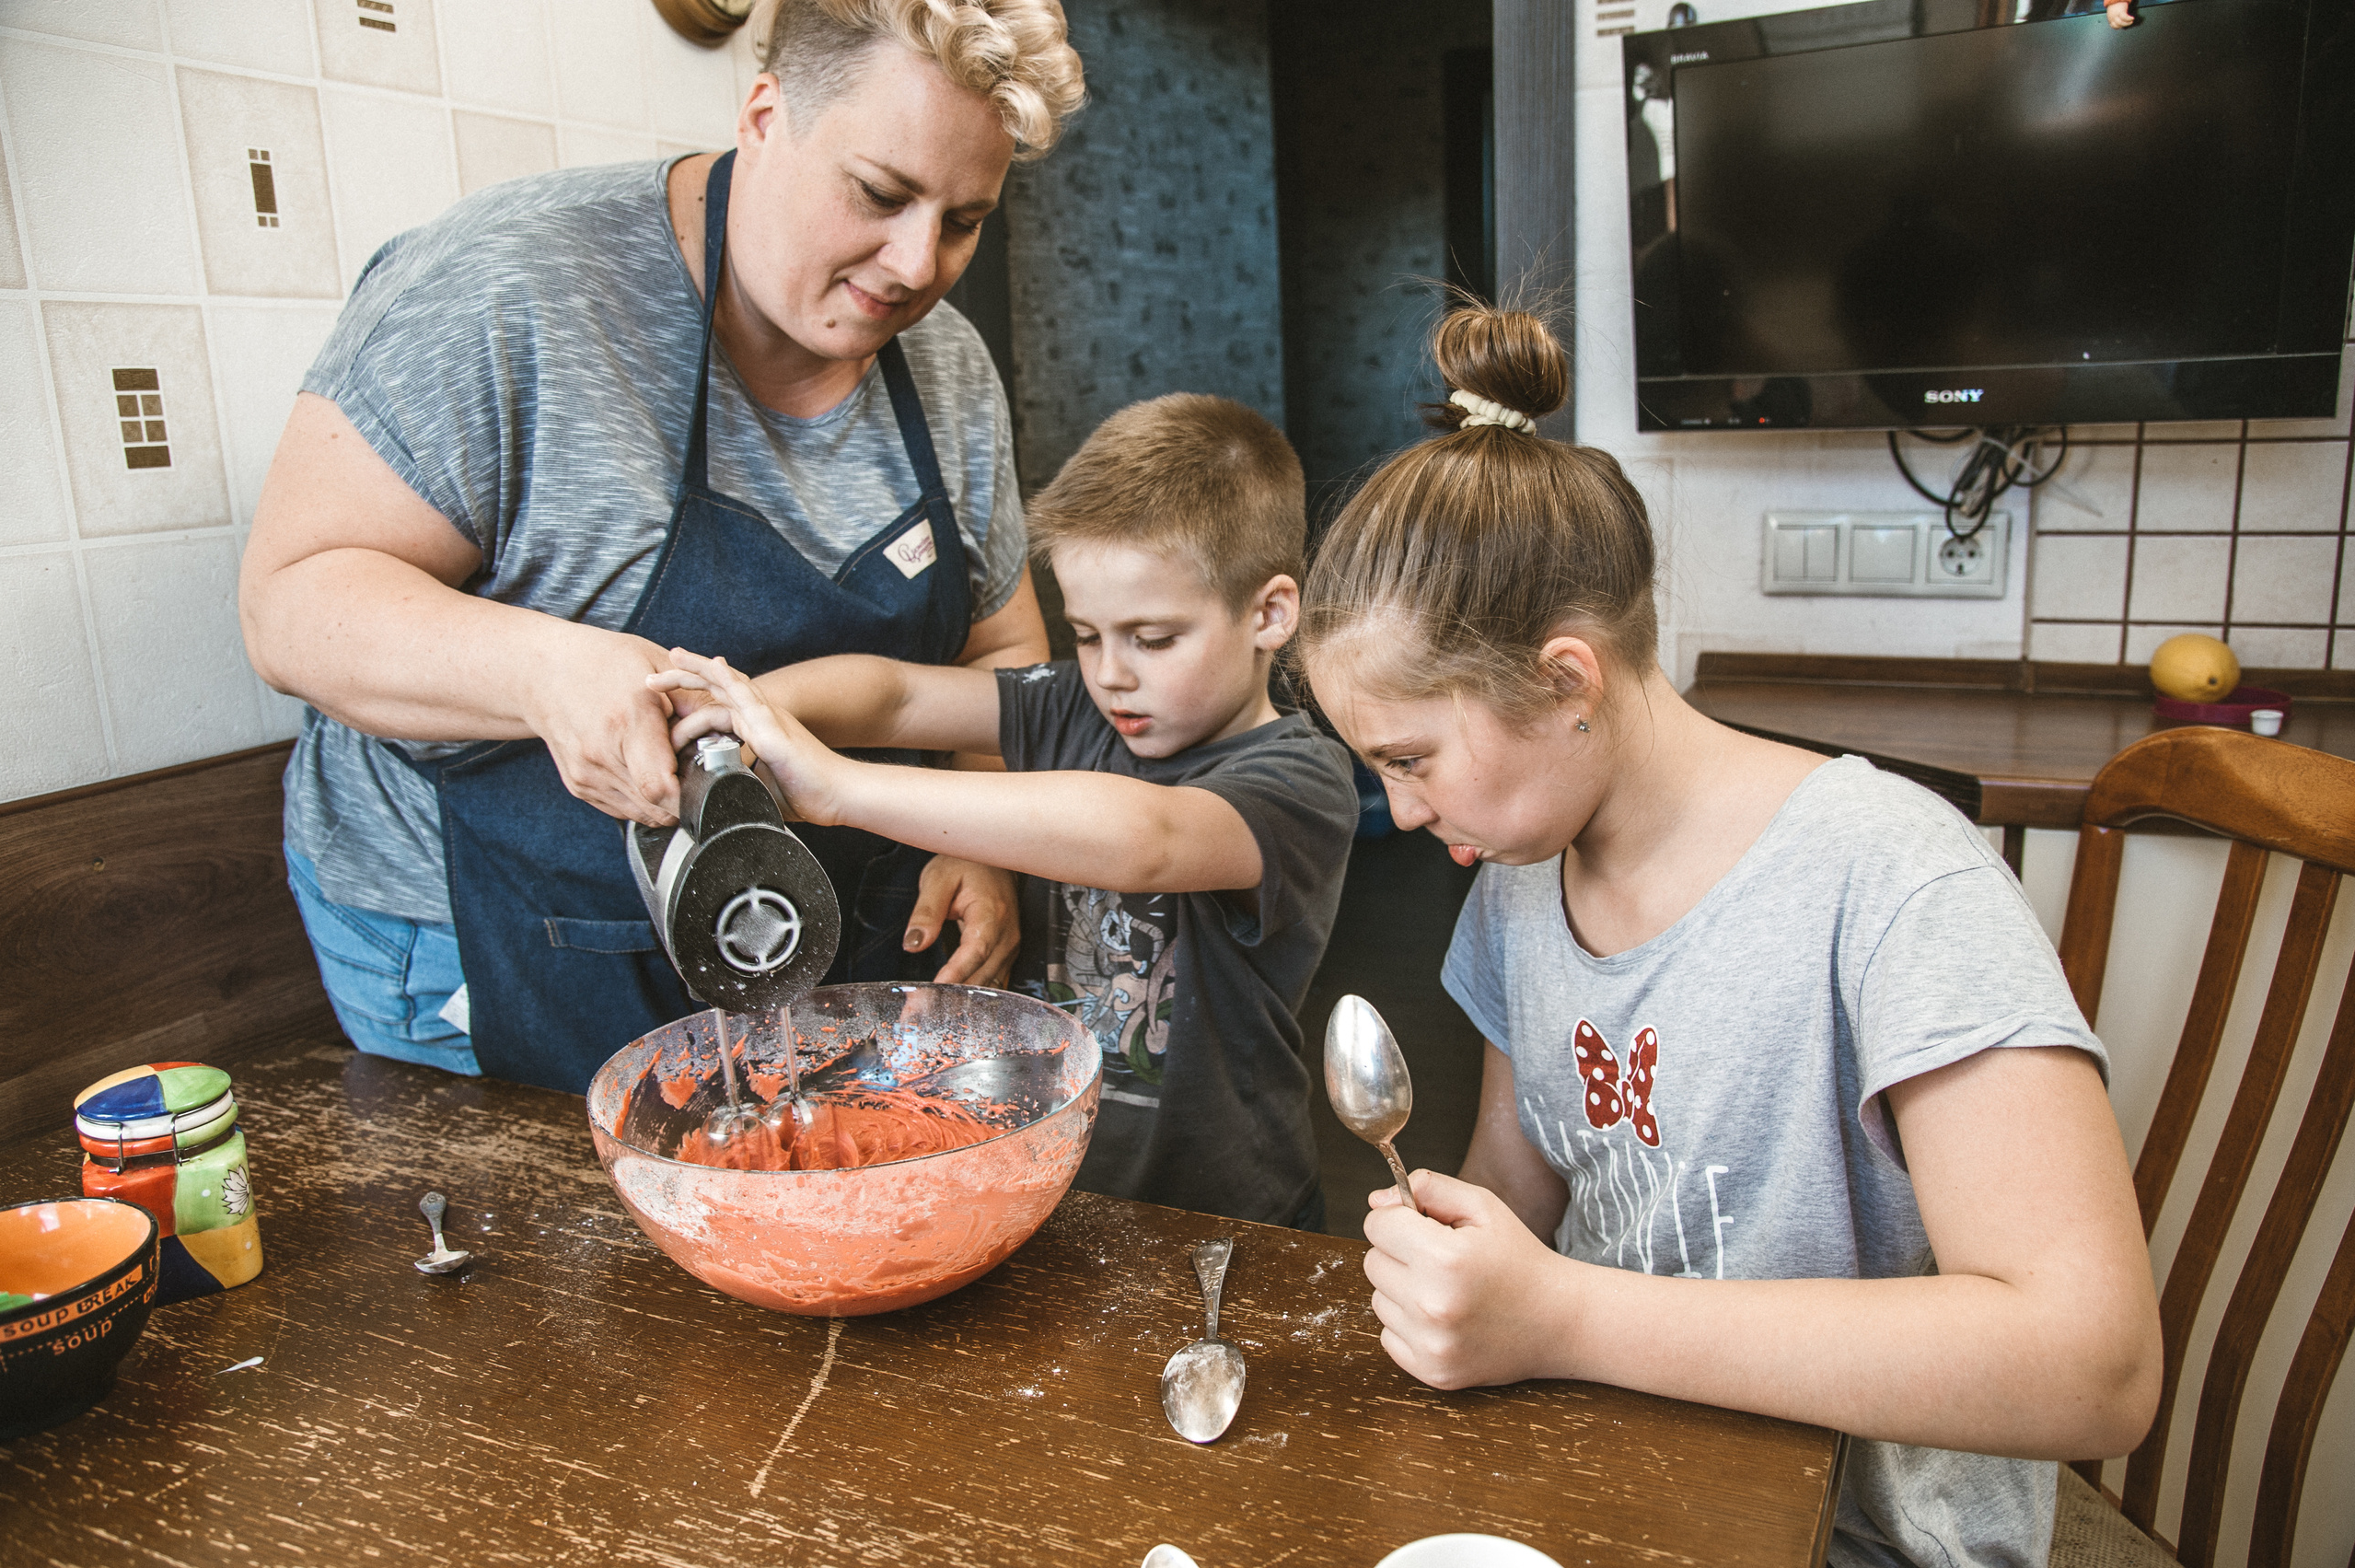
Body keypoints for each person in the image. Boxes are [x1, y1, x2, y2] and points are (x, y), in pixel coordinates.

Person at [1291, 304, 2163, 1566]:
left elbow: (2094, 1364)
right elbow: (1520, 1180)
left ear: (1565, 679)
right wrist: (1460, 1262)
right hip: (1603, 1471)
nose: (1406, 808)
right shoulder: (1524, 880)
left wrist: (1568, 1318)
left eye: (1411, 757)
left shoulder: (1894, 879)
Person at [238, 0, 1085, 1094]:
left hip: (815, 940)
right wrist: (548, 671)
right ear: (766, 114)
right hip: (493, 931)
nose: (916, 263)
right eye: (880, 194)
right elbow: (291, 604)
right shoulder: (512, 287)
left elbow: (998, 648)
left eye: (963, 220)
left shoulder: (950, 366)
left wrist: (983, 841)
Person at [650, 394, 1359, 1227]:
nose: (1112, 673)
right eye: (1088, 635)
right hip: (1051, 1196)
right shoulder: (1070, 705)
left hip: (1226, 1218)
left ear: (1270, 613)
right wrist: (741, 711)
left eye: (1154, 638)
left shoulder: (1301, 778)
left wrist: (836, 788)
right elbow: (896, 696)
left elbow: (1145, 838)